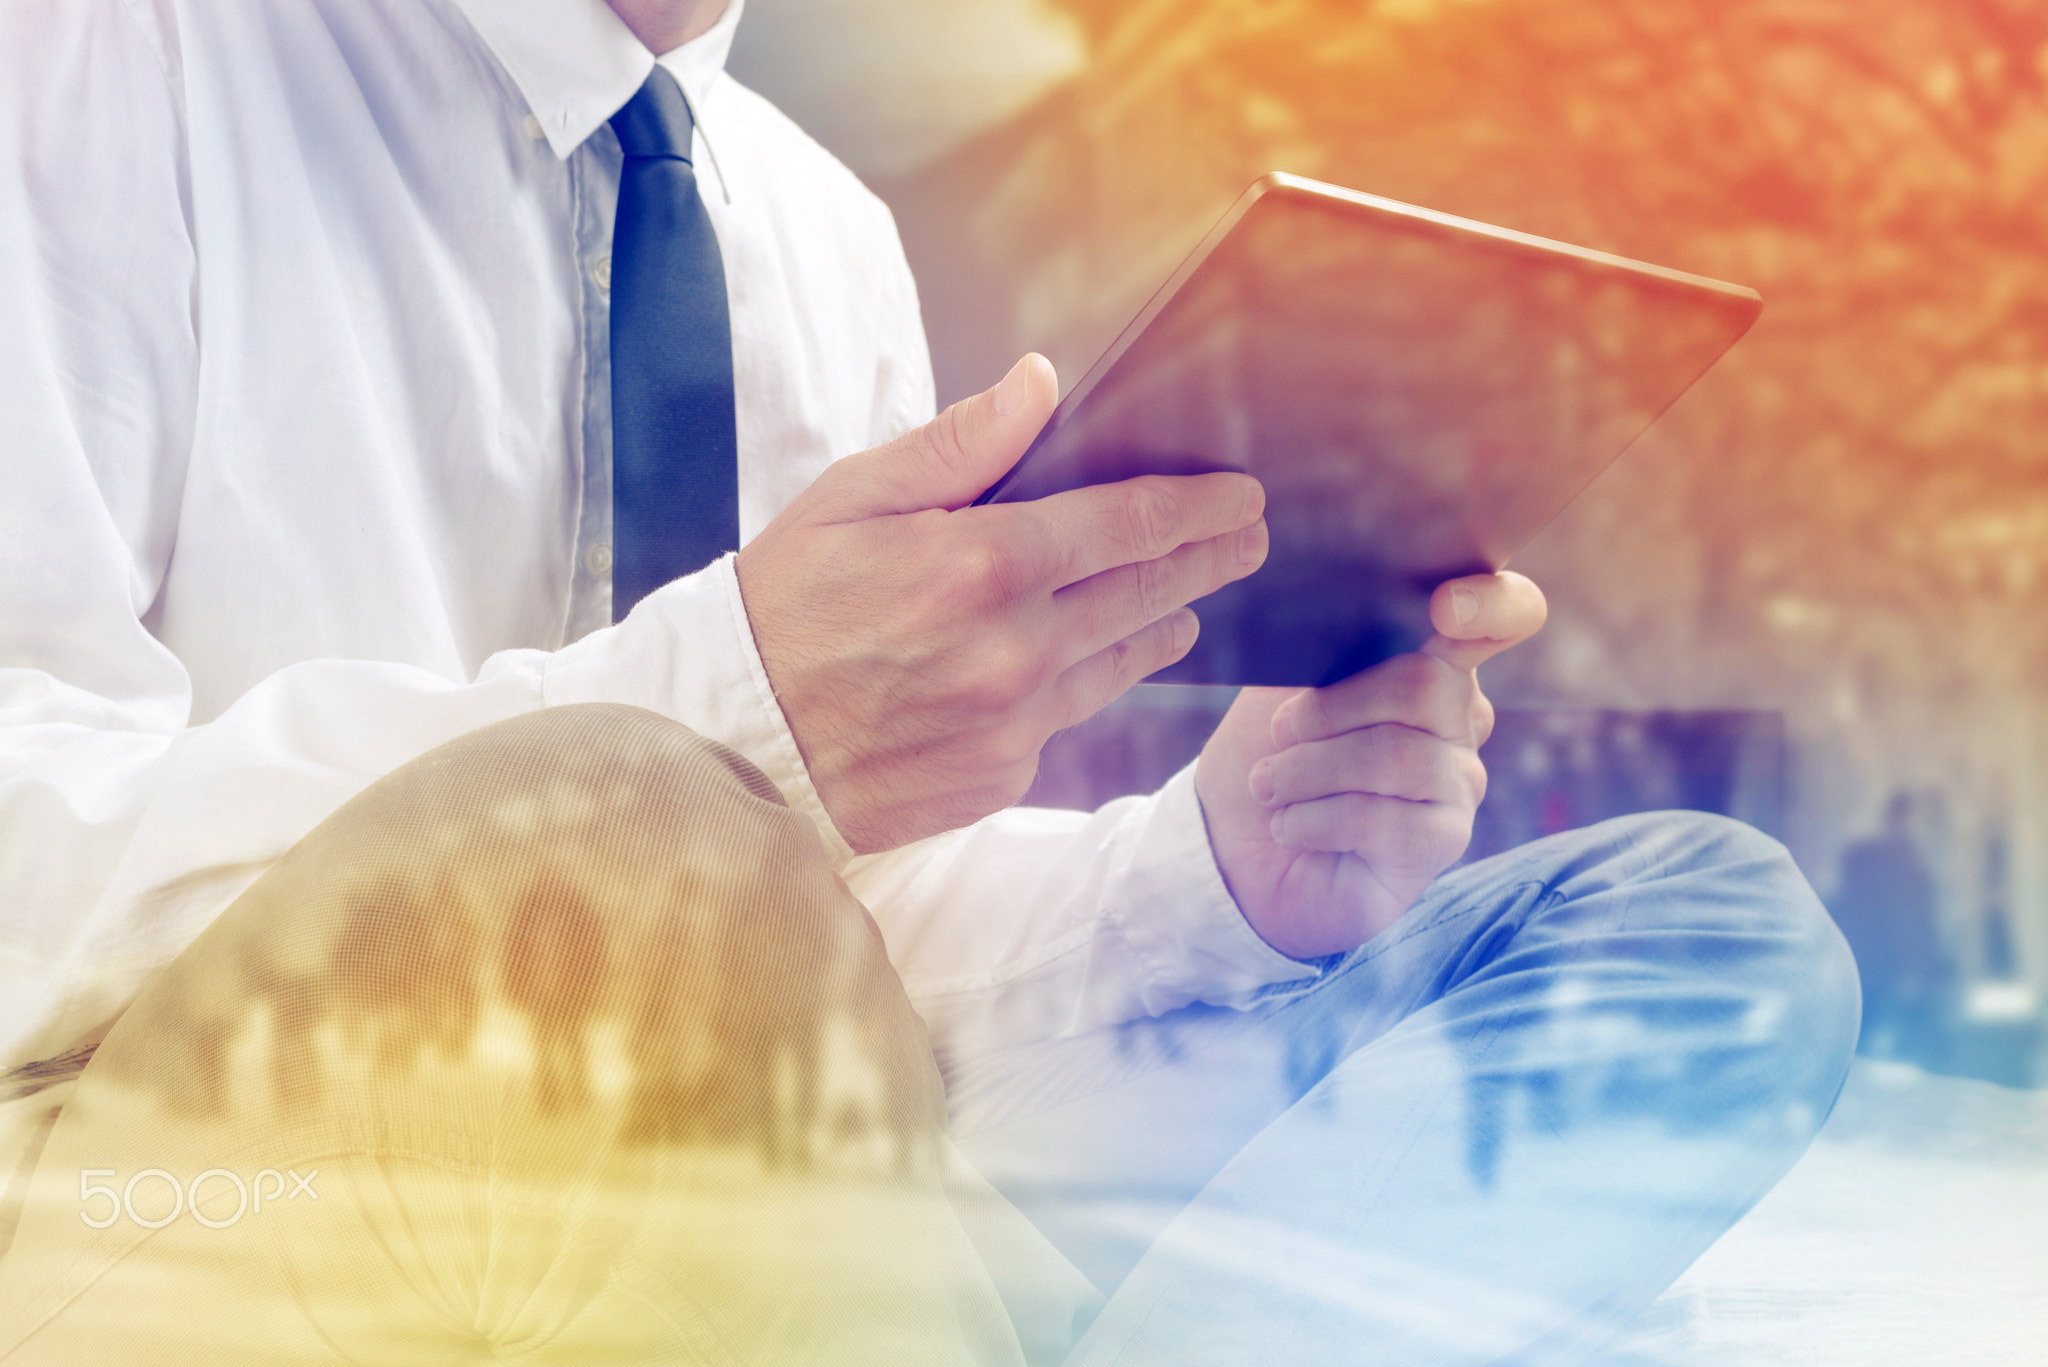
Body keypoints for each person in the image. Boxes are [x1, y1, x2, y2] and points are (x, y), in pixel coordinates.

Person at [0, 0, 1859, 1362]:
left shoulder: (810, 228)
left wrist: (1217, 871)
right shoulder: (89, 67)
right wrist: (729, 702)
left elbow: (833, 924)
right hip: (159, 1177)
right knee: (638, 823)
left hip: (747, 1120)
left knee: (1695, 922)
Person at [1831, 790, 1948, 1065]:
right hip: (1880, 956)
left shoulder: (1909, 860)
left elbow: (1920, 914)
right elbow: (1860, 902)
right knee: (1871, 1019)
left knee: (1885, 1022)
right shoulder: (1873, 854)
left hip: (1892, 958)